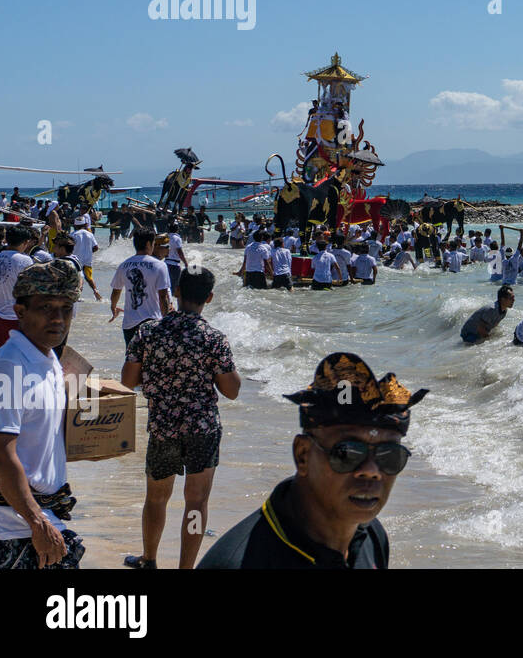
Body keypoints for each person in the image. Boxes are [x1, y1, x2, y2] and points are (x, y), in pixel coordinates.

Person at [197, 352, 426, 569]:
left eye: (389, 456)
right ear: (302, 455)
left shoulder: (372, 538)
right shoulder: (238, 562)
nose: (371, 471)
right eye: (347, 452)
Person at [120, 267, 241, 569]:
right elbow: (232, 391)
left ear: (176, 292)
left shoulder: (147, 332)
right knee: (196, 503)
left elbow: (127, 381)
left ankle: (149, 560)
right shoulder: (214, 339)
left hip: (163, 428)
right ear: (209, 298)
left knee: (156, 498)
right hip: (202, 428)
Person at [0, 261, 85, 569]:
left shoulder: (48, 360)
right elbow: (0, 454)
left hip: (41, 520)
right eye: (46, 307)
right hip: (11, 532)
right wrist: (37, 523)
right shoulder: (9, 367)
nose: (58, 318)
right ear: (20, 312)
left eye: (66, 308)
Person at [109, 231, 173, 346]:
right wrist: (167, 321)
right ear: (149, 244)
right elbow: (163, 297)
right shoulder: (159, 265)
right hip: (152, 322)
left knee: (132, 360)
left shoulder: (124, 265)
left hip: (129, 324)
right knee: (151, 360)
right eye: (153, 242)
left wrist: (113, 307)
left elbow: (116, 291)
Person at [0, 226, 37, 350]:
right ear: (25, 242)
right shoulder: (24, 261)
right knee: (16, 356)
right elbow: (32, 288)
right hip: (15, 316)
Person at [69, 216, 101, 301]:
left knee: (78, 278)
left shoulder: (72, 235)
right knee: (89, 278)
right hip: (87, 260)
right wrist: (89, 253)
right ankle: (95, 291)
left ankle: (77, 296)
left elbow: (69, 248)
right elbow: (96, 247)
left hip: (75, 261)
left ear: (75, 225)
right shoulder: (89, 234)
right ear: (84, 224)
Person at [165, 227, 188, 297]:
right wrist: (185, 262)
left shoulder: (166, 238)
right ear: (177, 230)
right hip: (174, 265)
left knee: (167, 285)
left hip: (166, 263)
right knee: (175, 286)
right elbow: (180, 252)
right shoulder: (177, 238)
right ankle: (172, 303)